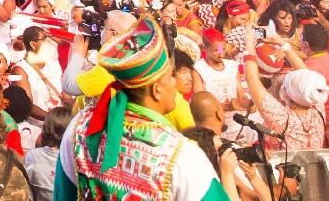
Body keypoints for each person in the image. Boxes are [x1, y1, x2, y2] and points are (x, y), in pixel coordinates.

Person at [54, 18, 228, 201]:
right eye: (170, 76)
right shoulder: (180, 155)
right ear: (157, 90)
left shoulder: (80, 127)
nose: (175, 82)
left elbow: (63, 194)